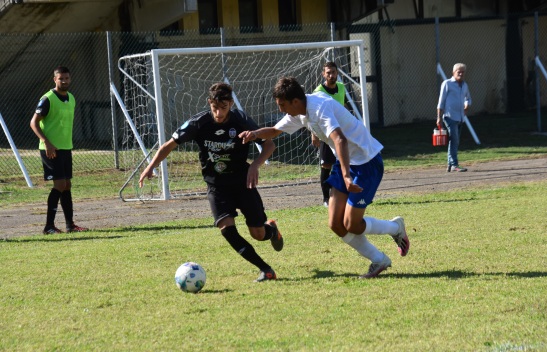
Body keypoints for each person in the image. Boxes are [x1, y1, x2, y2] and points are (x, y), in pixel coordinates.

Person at [240, 77, 410, 279]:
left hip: (366, 162)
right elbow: (275, 131)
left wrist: (347, 176)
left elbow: (340, 138)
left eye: (282, 105)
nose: (281, 110)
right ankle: (379, 259)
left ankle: (395, 227)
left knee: (352, 225)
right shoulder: (300, 111)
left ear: (295, 101)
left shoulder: (319, 108)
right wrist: (254, 134)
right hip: (344, 162)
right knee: (335, 224)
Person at [139, 82, 283, 282]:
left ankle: (271, 230)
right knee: (226, 230)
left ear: (231, 104)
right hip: (217, 186)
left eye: (223, 108)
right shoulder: (199, 123)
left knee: (258, 234)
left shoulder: (241, 120)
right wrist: (150, 166)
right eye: (215, 108)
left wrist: (255, 165)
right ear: (209, 103)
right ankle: (266, 269)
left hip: (242, 182)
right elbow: (169, 145)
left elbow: (269, 144)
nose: (218, 113)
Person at [30, 66, 89, 235]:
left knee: (67, 185)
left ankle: (70, 225)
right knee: (60, 184)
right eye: (61, 78)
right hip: (50, 149)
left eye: (67, 78)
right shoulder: (47, 98)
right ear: (54, 79)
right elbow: (33, 122)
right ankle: (49, 226)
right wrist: (46, 142)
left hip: (65, 148)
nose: (64, 81)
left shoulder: (71, 98)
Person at [311, 61, 342, 207]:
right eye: (328, 73)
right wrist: (314, 134)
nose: (331, 75)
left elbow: (342, 109)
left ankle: (344, 194)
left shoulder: (341, 88)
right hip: (325, 135)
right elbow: (312, 115)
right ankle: (325, 199)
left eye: (333, 72)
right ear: (323, 74)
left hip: (340, 134)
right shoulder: (318, 92)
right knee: (326, 165)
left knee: (345, 163)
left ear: (337, 73)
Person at [437, 63, 472, 172]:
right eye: (458, 71)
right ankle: (454, 164)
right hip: (449, 116)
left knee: (454, 141)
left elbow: (468, 98)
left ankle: (449, 164)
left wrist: (467, 104)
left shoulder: (465, 85)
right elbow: (441, 102)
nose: (461, 73)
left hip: (460, 117)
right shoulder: (447, 84)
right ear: (453, 72)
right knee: (455, 140)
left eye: (463, 72)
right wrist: (439, 117)